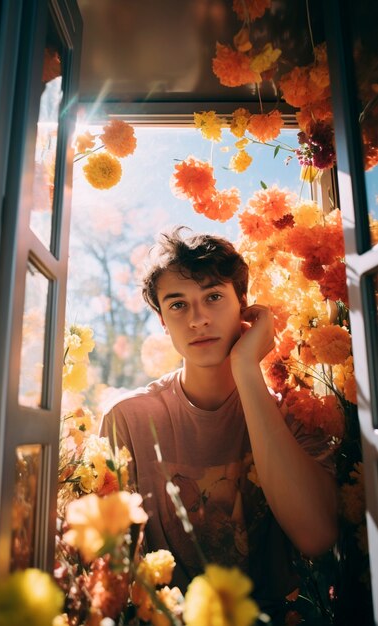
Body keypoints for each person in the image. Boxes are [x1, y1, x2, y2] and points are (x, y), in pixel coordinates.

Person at [100, 226, 338, 619]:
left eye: (213, 297)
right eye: (177, 305)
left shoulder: (293, 415)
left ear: (243, 304)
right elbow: (111, 569)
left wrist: (246, 369)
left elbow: (316, 537)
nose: (197, 319)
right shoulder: (128, 420)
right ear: (162, 320)